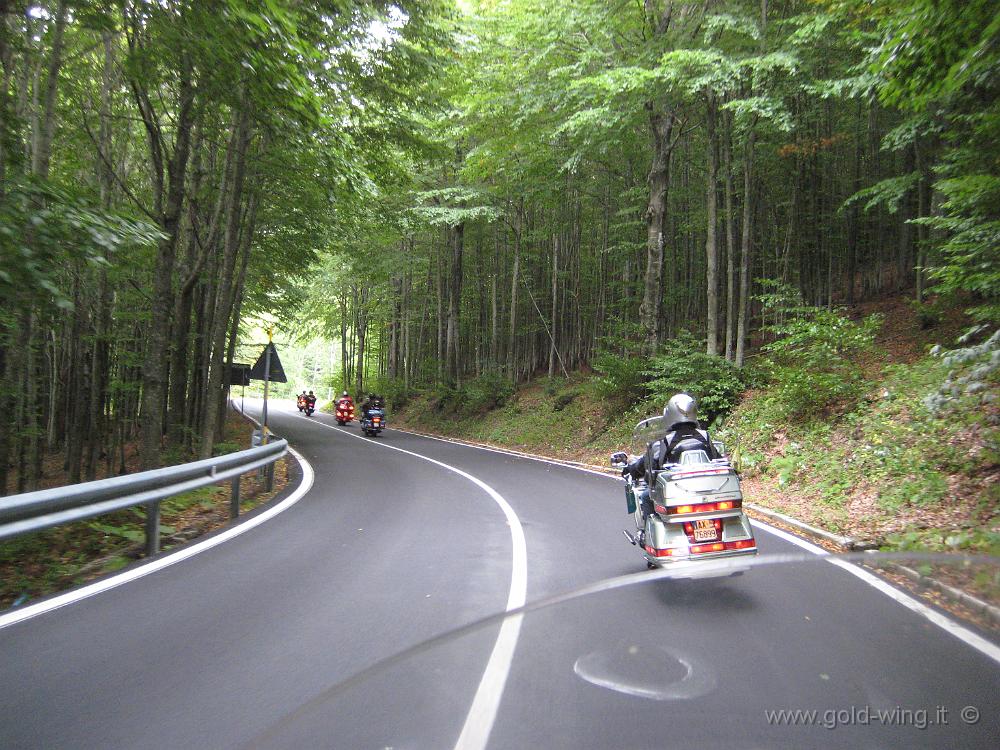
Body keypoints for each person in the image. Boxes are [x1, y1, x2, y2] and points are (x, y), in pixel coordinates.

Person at [623, 393, 720, 520]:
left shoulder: (664, 442)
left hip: (676, 493)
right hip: (707, 489)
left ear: (670, 414)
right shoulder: (705, 436)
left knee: (646, 497)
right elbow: (717, 459)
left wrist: (632, 469)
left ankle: (646, 536)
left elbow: (649, 465)